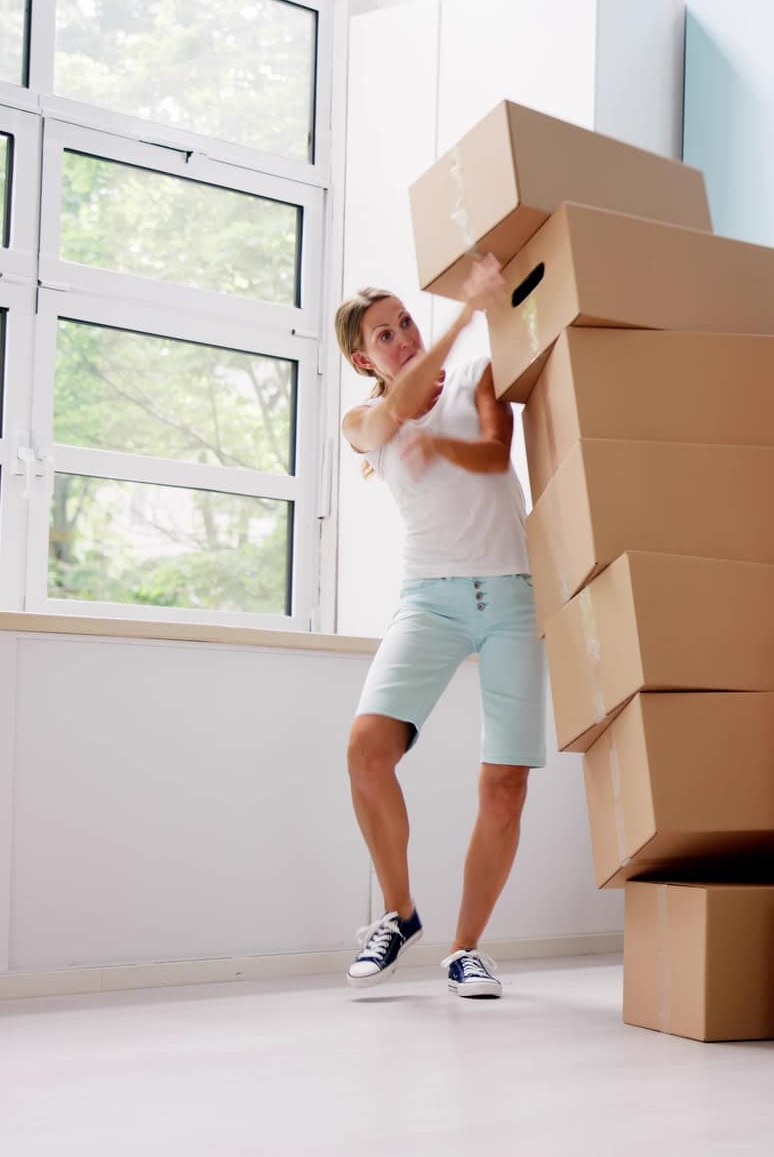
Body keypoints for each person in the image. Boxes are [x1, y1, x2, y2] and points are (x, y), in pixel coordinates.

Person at [332, 256, 538, 1000]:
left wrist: (462, 335)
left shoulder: (479, 371)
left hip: (513, 595)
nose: (403, 338)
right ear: (363, 358)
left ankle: (466, 948)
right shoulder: (365, 423)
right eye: (385, 335)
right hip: (429, 598)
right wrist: (465, 311)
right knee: (366, 751)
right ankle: (399, 912)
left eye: (407, 322)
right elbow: (399, 409)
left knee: (506, 784)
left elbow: (492, 455)